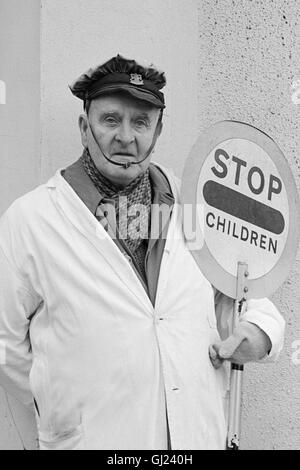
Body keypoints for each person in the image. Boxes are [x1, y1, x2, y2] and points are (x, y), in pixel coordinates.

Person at [0, 54, 285, 450]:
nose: (126, 137)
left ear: (158, 130)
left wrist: (258, 331)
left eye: (141, 122)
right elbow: (5, 344)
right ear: (85, 128)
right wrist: (62, 400)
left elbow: (240, 293)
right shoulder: (30, 219)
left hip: (194, 436)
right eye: (110, 120)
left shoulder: (195, 209)